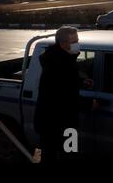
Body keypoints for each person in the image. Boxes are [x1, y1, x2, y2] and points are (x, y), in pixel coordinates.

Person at [34, 26, 92, 163]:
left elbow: (64, 83)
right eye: (74, 41)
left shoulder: (60, 59)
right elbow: (64, 95)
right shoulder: (60, 64)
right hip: (59, 121)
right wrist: (89, 104)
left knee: (50, 154)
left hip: (50, 121)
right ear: (63, 43)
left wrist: (81, 82)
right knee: (67, 154)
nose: (77, 43)